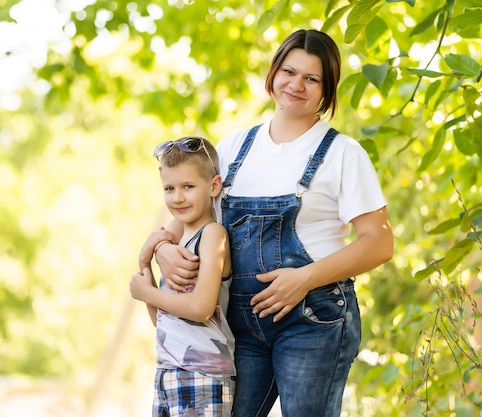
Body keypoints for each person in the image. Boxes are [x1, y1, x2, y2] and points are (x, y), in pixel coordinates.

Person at [138, 29, 394, 417]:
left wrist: (304, 278)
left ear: (327, 90)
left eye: (312, 78)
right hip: (240, 324)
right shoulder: (233, 148)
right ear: (273, 73)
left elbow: (378, 242)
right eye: (289, 72)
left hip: (314, 319)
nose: (297, 85)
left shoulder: (344, 153)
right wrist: (165, 248)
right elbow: (190, 215)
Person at [130, 136, 235, 417]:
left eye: (188, 187)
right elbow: (164, 321)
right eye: (169, 188)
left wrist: (147, 293)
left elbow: (201, 309)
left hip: (203, 373)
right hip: (168, 368)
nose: (177, 197)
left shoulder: (212, 235)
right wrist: (147, 269)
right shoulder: (177, 240)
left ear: (214, 186)